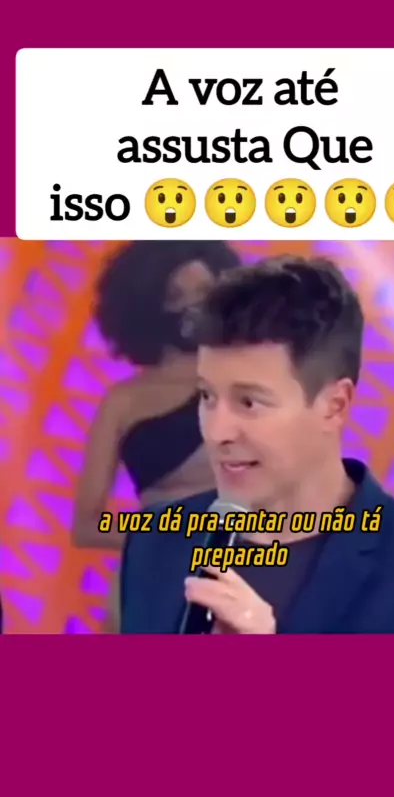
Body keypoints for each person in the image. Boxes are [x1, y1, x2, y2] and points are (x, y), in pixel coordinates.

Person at [120, 254, 394, 634]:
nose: (217, 431)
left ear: (334, 406)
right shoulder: (154, 544)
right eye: (207, 397)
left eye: (249, 402)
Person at [72, 240, 241, 630]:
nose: (194, 305)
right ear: (146, 307)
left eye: (205, 290)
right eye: (177, 296)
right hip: (154, 589)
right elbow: (86, 525)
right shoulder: (124, 402)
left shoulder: (253, 386)